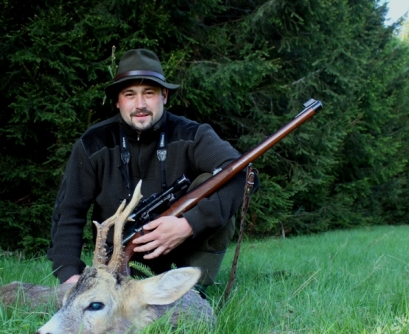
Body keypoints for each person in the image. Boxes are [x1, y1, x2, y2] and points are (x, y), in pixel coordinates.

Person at [47, 49, 257, 293]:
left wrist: (189, 224)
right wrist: (69, 275)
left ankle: (192, 291)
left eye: (149, 93)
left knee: (217, 180)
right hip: (119, 263)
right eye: (130, 95)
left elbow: (245, 175)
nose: (140, 104)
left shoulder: (193, 135)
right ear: (117, 100)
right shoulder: (92, 145)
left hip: (183, 254)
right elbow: (69, 213)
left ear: (164, 95)